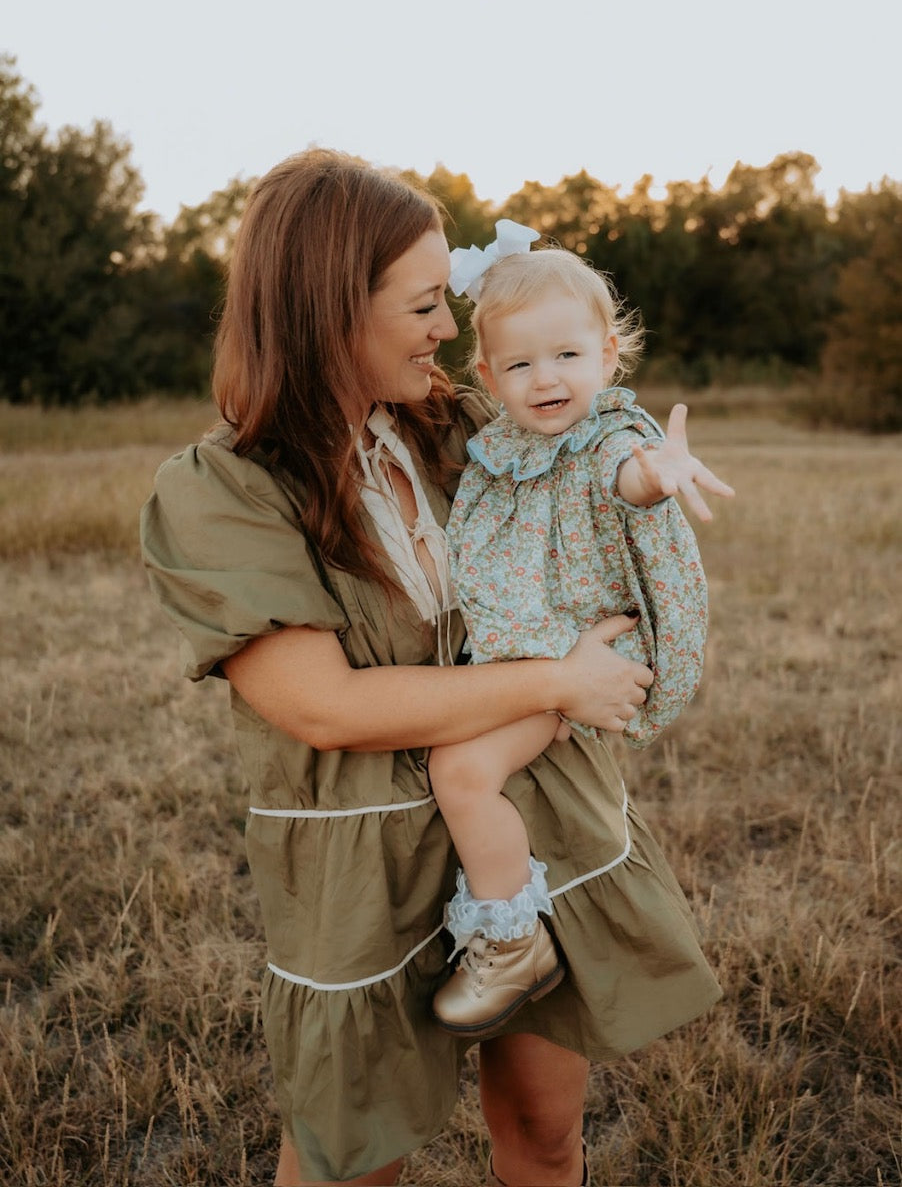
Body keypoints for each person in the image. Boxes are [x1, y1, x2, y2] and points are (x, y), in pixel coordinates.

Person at [140, 149, 723, 1187]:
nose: (448, 329)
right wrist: (555, 681)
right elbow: (320, 704)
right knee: (352, 1161)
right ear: (330, 310)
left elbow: (588, 436)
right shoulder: (220, 490)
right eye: (422, 305)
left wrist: (641, 468)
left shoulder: (461, 427)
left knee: (544, 1130)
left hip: (525, 813)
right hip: (362, 861)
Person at [427, 226, 734, 1038]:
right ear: (488, 376)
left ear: (607, 355)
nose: (547, 378)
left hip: (573, 660)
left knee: (459, 771)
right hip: (521, 655)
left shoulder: (609, 439)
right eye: (520, 365)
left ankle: (511, 939)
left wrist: (655, 477)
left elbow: (623, 480)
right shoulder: (501, 449)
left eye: (566, 356)